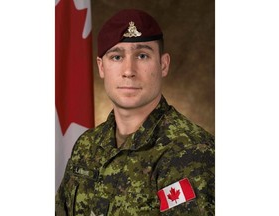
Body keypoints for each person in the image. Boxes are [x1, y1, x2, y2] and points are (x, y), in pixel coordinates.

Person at [55, 9, 215, 216]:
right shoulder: (87, 146)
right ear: (101, 67)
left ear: (163, 65)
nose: (129, 70)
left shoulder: (193, 152)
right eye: (116, 57)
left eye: (142, 55)